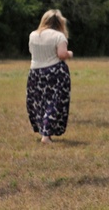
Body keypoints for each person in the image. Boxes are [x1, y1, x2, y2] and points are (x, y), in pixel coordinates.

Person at [26, 9, 74, 144]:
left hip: (35, 72)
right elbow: (62, 54)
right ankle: (46, 136)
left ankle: (43, 130)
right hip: (55, 72)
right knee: (54, 102)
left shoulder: (33, 35)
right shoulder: (59, 36)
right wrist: (70, 53)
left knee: (39, 102)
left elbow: (32, 52)